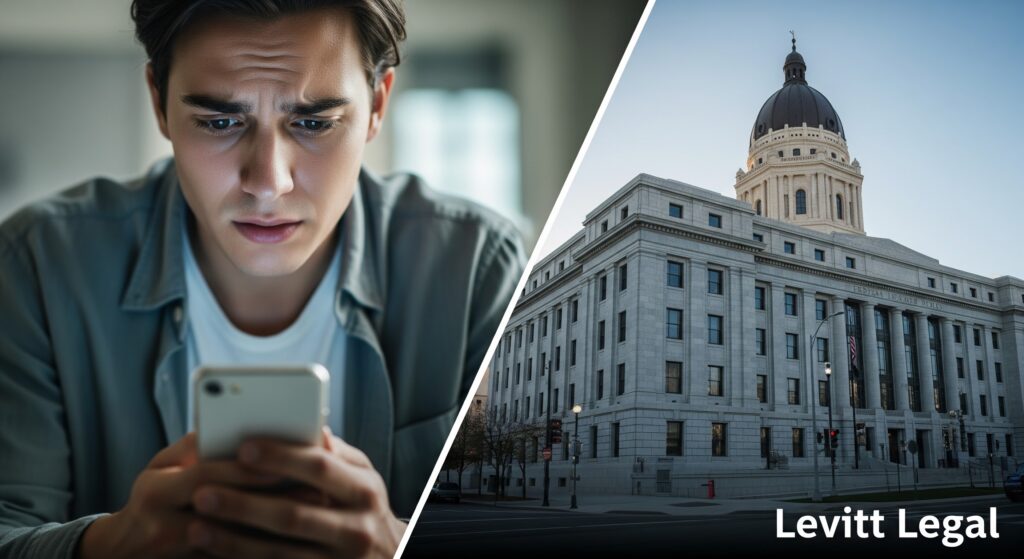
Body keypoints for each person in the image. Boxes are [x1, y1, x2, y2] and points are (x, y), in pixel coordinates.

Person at [0, 1, 525, 557]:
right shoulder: (38, 264)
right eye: (221, 121)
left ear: (377, 105)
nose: (268, 184)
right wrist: (104, 546)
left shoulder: (476, 268)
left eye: (314, 123)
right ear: (158, 101)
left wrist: (393, 542)